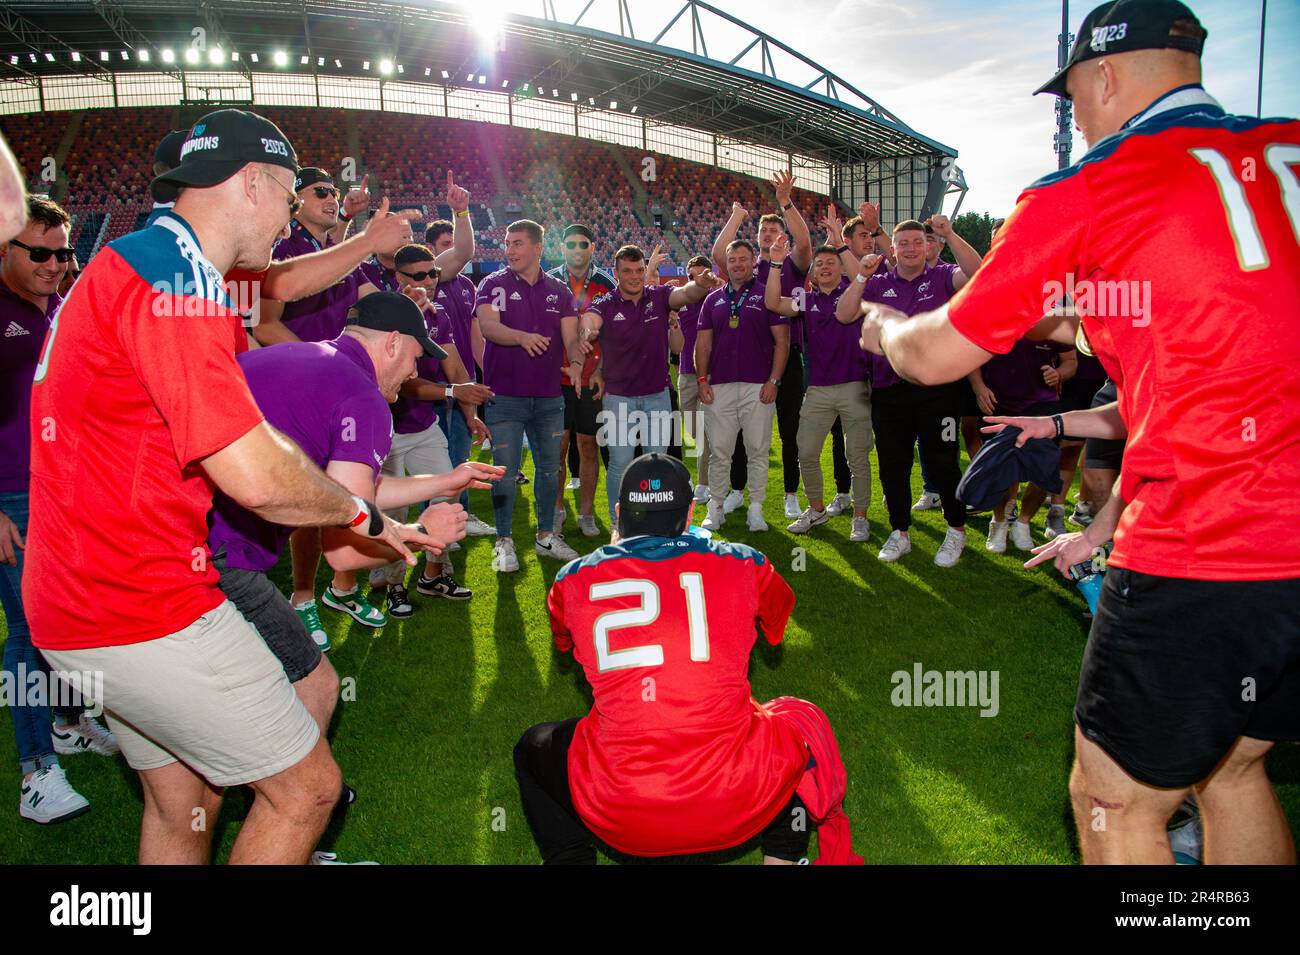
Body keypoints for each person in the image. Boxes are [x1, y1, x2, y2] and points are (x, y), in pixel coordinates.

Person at [859, 0, 1300, 863]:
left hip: (1212, 540)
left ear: (1104, 75)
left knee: (1112, 800)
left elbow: (936, 351)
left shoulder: (1098, 181)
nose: (1075, 117)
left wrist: (886, 331)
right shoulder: (1279, 148)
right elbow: (1204, 330)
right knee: (1234, 767)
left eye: (1072, 98)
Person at [23, 108, 438, 864]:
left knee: (184, 803)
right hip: (143, 600)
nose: (288, 218)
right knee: (306, 789)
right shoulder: (175, 281)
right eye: (288, 196)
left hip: (74, 598)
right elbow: (253, 476)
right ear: (253, 183)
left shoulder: (138, 262)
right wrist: (357, 512)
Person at [515, 453, 857, 865]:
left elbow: (565, 642)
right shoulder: (746, 563)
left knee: (533, 747)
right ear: (690, 512)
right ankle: (783, 858)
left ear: (619, 513)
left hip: (624, 804)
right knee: (796, 730)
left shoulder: (571, 580)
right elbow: (775, 622)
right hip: (734, 795)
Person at [207, 291, 490, 725]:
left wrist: (445, 481)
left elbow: (353, 493)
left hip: (154, 532)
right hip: (215, 556)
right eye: (416, 355)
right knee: (315, 686)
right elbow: (345, 551)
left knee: (203, 709)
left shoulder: (296, 357)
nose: (415, 371)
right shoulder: (364, 397)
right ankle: (302, 792)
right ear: (392, 342)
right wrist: (425, 533)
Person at [2, 195, 117, 824]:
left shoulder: (50, 310)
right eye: (39, 253)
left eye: (64, 252)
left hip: (61, 485)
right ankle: (36, 773)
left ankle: (71, 721)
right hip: (10, 494)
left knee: (77, 613)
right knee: (26, 631)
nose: (55, 265)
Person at [837, 215, 982, 566]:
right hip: (889, 390)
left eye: (919, 242)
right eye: (904, 243)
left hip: (938, 389)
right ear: (893, 249)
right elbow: (844, 314)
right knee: (893, 464)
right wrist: (861, 275)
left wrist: (951, 233)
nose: (912, 249)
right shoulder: (877, 282)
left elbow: (977, 272)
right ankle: (899, 531)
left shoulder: (943, 276)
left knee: (943, 462)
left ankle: (955, 530)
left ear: (929, 245)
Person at [365, 247, 494, 616]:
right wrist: (456, 393)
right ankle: (393, 585)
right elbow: (404, 383)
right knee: (391, 510)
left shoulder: (438, 315)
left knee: (448, 496)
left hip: (425, 424)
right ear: (397, 279)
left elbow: (454, 369)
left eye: (432, 273)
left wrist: (470, 415)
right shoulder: (386, 317)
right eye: (418, 275)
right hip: (386, 431)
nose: (428, 281)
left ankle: (434, 574)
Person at [580, 244, 719, 527]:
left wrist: (701, 284)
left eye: (639, 270)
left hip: (657, 395)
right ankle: (619, 524)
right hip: (618, 398)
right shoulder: (606, 303)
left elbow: (685, 294)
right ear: (616, 273)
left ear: (645, 271)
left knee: (656, 462)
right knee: (620, 464)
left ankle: (655, 520)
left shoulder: (660, 295)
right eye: (627, 271)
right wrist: (586, 330)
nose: (634, 276)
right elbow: (589, 320)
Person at [475, 219, 583, 572]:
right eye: (507, 243)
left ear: (538, 247)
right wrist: (521, 337)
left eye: (518, 243)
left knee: (550, 471)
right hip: (505, 396)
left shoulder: (559, 291)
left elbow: (571, 338)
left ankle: (547, 535)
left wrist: (578, 362)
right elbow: (488, 327)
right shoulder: (493, 284)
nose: (510, 250)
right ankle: (504, 541)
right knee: (504, 472)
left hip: (549, 397)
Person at [713, 173, 813, 520]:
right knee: (742, 431)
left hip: (790, 355)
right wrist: (737, 218)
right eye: (763, 234)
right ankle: (738, 490)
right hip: (755, 359)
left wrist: (785, 202)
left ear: (781, 237)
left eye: (774, 233)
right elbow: (718, 253)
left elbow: (803, 241)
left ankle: (789, 493)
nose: (769, 237)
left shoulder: (793, 265)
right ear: (756, 242)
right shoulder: (750, 271)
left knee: (789, 430)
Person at [763, 236, 872, 542]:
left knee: (857, 455)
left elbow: (865, 278)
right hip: (819, 389)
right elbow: (772, 302)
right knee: (806, 451)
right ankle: (816, 509)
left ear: (841, 268)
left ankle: (860, 516)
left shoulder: (856, 294)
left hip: (854, 385)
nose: (824, 267)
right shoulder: (807, 300)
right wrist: (775, 262)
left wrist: (841, 245)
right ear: (811, 273)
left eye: (830, 262)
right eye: (818, 264)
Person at [694, 238, 791, 533]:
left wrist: (774, 380)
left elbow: (782, 342)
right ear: (726, 263)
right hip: (719, 385)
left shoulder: (767, 295)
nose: (737, 264)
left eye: (743, 259)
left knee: (758, 450)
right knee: (720, 452)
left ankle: (757, 510)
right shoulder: (712, 300)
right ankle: (716, 508)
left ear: (752, 262)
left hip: (757, 385)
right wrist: (701, 379)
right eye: (732, 260)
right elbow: (703, 344)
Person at [426, 216, 496, 538]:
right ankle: (437, 521)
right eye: (445, 247)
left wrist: (487, 374)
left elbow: (476, 335)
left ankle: (462, 516)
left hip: (463, 379)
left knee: (461, 455)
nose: (452, 254)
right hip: (433, 387)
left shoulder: (468, 286)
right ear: (432, 252)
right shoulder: (427, 286)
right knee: (436, 461)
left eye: (455, 247)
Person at [976, 337, 1077, 552]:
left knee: (1042, 469)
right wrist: (978, 386)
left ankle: (1023, 522)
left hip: (1042, 407)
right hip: (998, 403)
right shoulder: (993, 313)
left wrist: (1059, 373)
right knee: (999, 468)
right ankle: (999, 522)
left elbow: (1070, 360)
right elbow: (970, 355)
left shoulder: (1053, 319)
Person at [546, 224, 615, 538]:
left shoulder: (606, 283)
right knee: (557, 449)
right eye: (570, 243)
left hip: (591, 380)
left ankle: (587, 513)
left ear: (592, 247)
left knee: (588, 447)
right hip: (555, 381)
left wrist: (603, 371)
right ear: (562, 248)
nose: (576, 249)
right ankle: (557, 509)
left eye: (582, 244)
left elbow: (616, 334)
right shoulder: (548, 281)